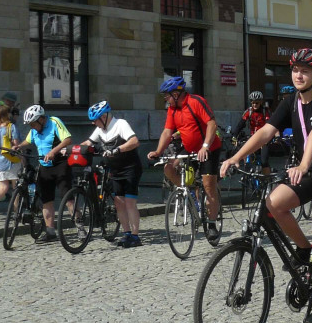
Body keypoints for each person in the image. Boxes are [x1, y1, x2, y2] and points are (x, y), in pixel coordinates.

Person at [221, 48, 312, 323]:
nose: (299, 75)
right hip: (311, 170)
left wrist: (303, 165)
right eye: (295, 70)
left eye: (305, 71)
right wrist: (235, 157)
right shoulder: (290, 102)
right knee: (274, 204)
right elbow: (265, 132)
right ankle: (303, 250)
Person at [148, 76, 222, 232]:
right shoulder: (172, 109)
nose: (166, 99)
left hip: (209, 148)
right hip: (189, 148)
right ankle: (190, 194)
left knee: (209, 186)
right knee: (168, 168)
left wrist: (205, 146)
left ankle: (212, 223)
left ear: (176, 94)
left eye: (167, 95)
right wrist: (158, 151)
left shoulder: (195, 102)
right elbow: (167, 132)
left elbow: (211, 123)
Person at [81, 101, 144, 248]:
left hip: (130, 168)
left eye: (95, 120)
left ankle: (135, 236)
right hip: (115, 170)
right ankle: (126, 233)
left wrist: (117, 149)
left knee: (129, 202)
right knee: (118, 202)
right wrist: (73, 149)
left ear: (104, 116)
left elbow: (134, 141)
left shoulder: (120, 124)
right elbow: (88, 143)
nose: (93, 123)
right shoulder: (100, 130)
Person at [21, 104, 73, 242]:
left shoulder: (54, 122)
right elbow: (28, 140)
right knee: (46, 200)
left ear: (41, 120)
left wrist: (53, 151)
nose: (31, 127)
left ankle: (80, 226)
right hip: (45, 167)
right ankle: (50, 232)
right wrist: (18, 146)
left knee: (68, 199)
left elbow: (68, 139)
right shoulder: (34, 130)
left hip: (60, 165)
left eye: (33, 123)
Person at [233, 91, 272, 175]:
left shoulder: (265, 111)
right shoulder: (249, 111)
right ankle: (247, 176)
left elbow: (271, 124)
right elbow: (240, 124)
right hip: (252, 137)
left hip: (263, 139)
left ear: (261, 102)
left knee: (264, 161)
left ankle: (267, 179)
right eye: (252, 102)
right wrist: (234, 136)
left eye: (257, 103)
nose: (254, 105)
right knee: (246, 156)